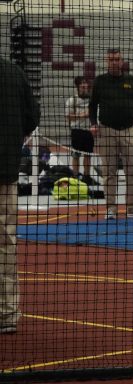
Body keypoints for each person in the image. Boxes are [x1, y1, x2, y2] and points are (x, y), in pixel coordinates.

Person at [0, 57, 40, 334]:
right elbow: (32, 117)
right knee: (5, 242)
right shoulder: (14, 72)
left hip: (6, 168)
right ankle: (7, 313)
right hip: (6, 169)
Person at [89, 48, 133, 219]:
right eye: (111, 59)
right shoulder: (100, 81)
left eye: (117, 59)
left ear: (122, 61)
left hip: (129, 130)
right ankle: (111, 209)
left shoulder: (131, 80)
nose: (114, 62)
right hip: (107, 130)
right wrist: (93, 124)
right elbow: (92, 106)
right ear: (107, 62)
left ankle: (132, 208)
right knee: (109, 172)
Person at [65, 76, 94, 183]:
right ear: (78, 86)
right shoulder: (72, 100)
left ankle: (87, 176)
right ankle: (75, 176)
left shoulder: (92, 100)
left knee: (88, 155)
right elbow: (68, 117)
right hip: (77, 131)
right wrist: (83, 115)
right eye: (82, 84)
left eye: (86, 83)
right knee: (75, 155)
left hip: (89, 131)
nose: (84, 86)